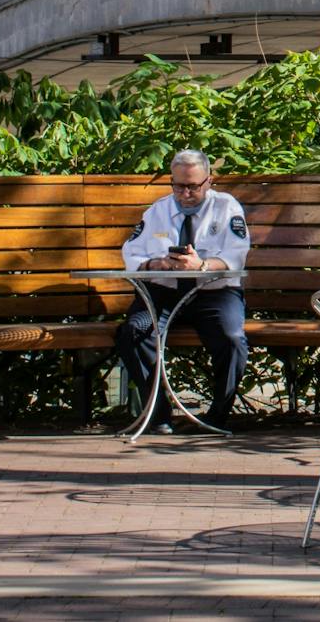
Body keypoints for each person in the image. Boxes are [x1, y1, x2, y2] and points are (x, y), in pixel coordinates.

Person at [116, 149, 251, 433]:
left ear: (209, 182)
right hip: (164, 293)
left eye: (193, 186)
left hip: (213, 292)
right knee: (133, 333)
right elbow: (131, 252)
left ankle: (215, 418)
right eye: (179, 186)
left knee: (232, 339)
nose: (185, 193)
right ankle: (158, 412)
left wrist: (202, 264)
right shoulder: (158, 210)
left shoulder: (227, 208)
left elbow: (236, 256)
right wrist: (157, 263)